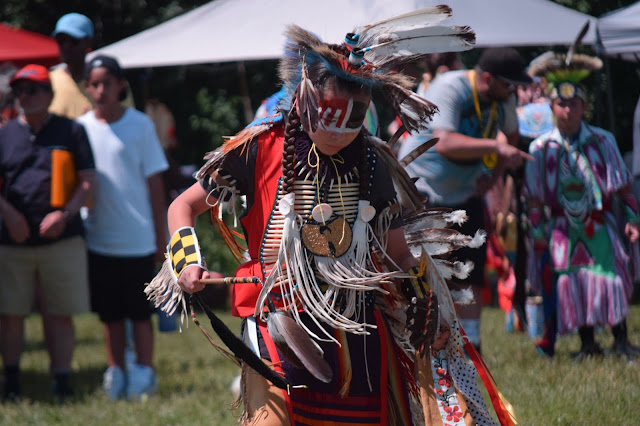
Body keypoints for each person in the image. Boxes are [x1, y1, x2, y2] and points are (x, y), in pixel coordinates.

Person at [147, 13, 513, 426]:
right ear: (303, 102)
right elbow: (182, 207)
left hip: (355, 325)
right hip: (276, 315)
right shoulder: (260, 148)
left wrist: (425, 305)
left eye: (353, 120)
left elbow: (396, 252)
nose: (339, 132)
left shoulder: (371, 161)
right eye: (329, 115)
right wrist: (185, 261)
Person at [398, 47, 532, 352]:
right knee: (423, 271)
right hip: (421, 188)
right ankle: (422, 342)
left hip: (464, 190)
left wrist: (493, 175)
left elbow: (510, 139)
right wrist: (496, 151)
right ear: (487, 78)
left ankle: (472, 345)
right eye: (509, 84)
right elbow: (445, 142)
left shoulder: (503, 97)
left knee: (469, 271)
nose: (514, 91)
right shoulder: (451, 87)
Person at [525, 52, 640, 360]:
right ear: (551, 107)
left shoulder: (603, 142)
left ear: (583, 107)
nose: (567, 111)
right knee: (572, 282)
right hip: (562, 228)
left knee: (611, 279)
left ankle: (621, 340)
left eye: (573, 104)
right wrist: (537, 235)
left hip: (599, 225)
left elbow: (624, 186)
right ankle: (588, 345)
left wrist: (632, 218)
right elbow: (534, 199)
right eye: (561, 105)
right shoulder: (539, 149)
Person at [0, 64, 95, 401]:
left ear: (49, 94)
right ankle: (11, 381)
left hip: (62, 238)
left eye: (33, 89)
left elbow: (88, 182)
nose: (25, 96)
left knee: (60, 314)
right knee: (10, 314)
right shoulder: (5, 133)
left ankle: (63, 381)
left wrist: (65, 215)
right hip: (13, 241)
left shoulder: (71, 131)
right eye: (19, 90)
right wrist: (8, 213)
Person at [77, 55, 168, 399]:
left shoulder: (140, 125)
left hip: (138, 238)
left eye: (107, 83)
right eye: (94, 84)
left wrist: (161, 235)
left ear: (119, 85)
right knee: (110, 313)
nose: (101, 90)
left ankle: (144, 372)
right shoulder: (81, 127)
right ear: (87, 87)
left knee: (140, 312)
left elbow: (155, 183)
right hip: (100, 237)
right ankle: (116, 369)